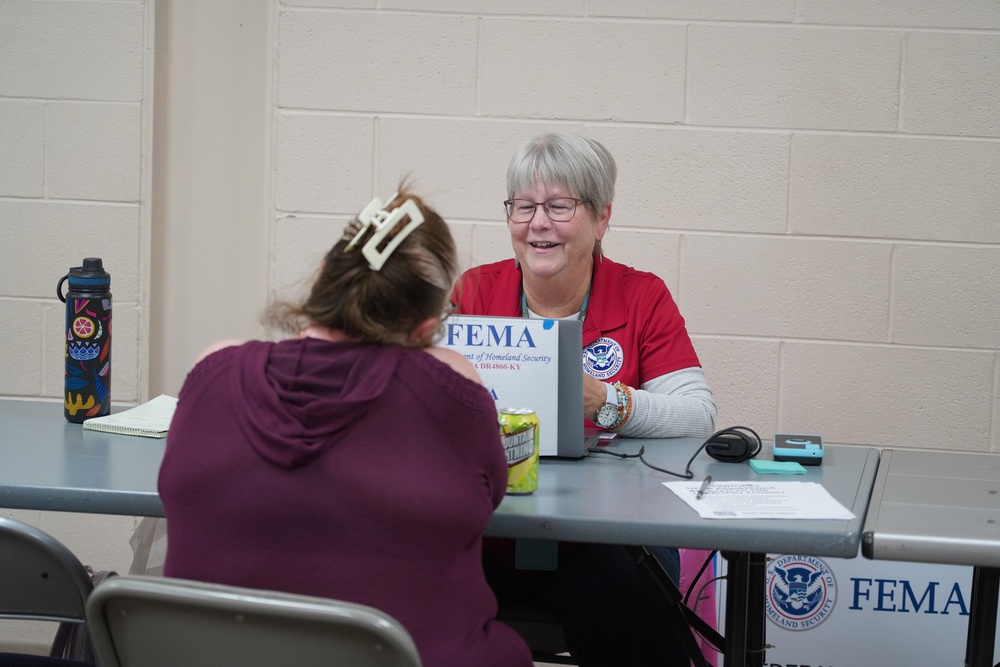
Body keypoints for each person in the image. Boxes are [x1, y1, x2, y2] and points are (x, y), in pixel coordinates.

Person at [158, 190, 532, 667]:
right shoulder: (450, 384)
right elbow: (493, 494)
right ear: (424, 328)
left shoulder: (212, 369)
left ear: (320, 277)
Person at [453, 132, 718, 666]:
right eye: (523, 206)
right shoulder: (474, 292)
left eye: (559, 206)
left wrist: (609, 402)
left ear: (601, 219)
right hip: (491, 534)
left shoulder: (642, 295)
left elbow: (700, 415)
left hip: (604, 542)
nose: (538, 223)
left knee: (625, 605)